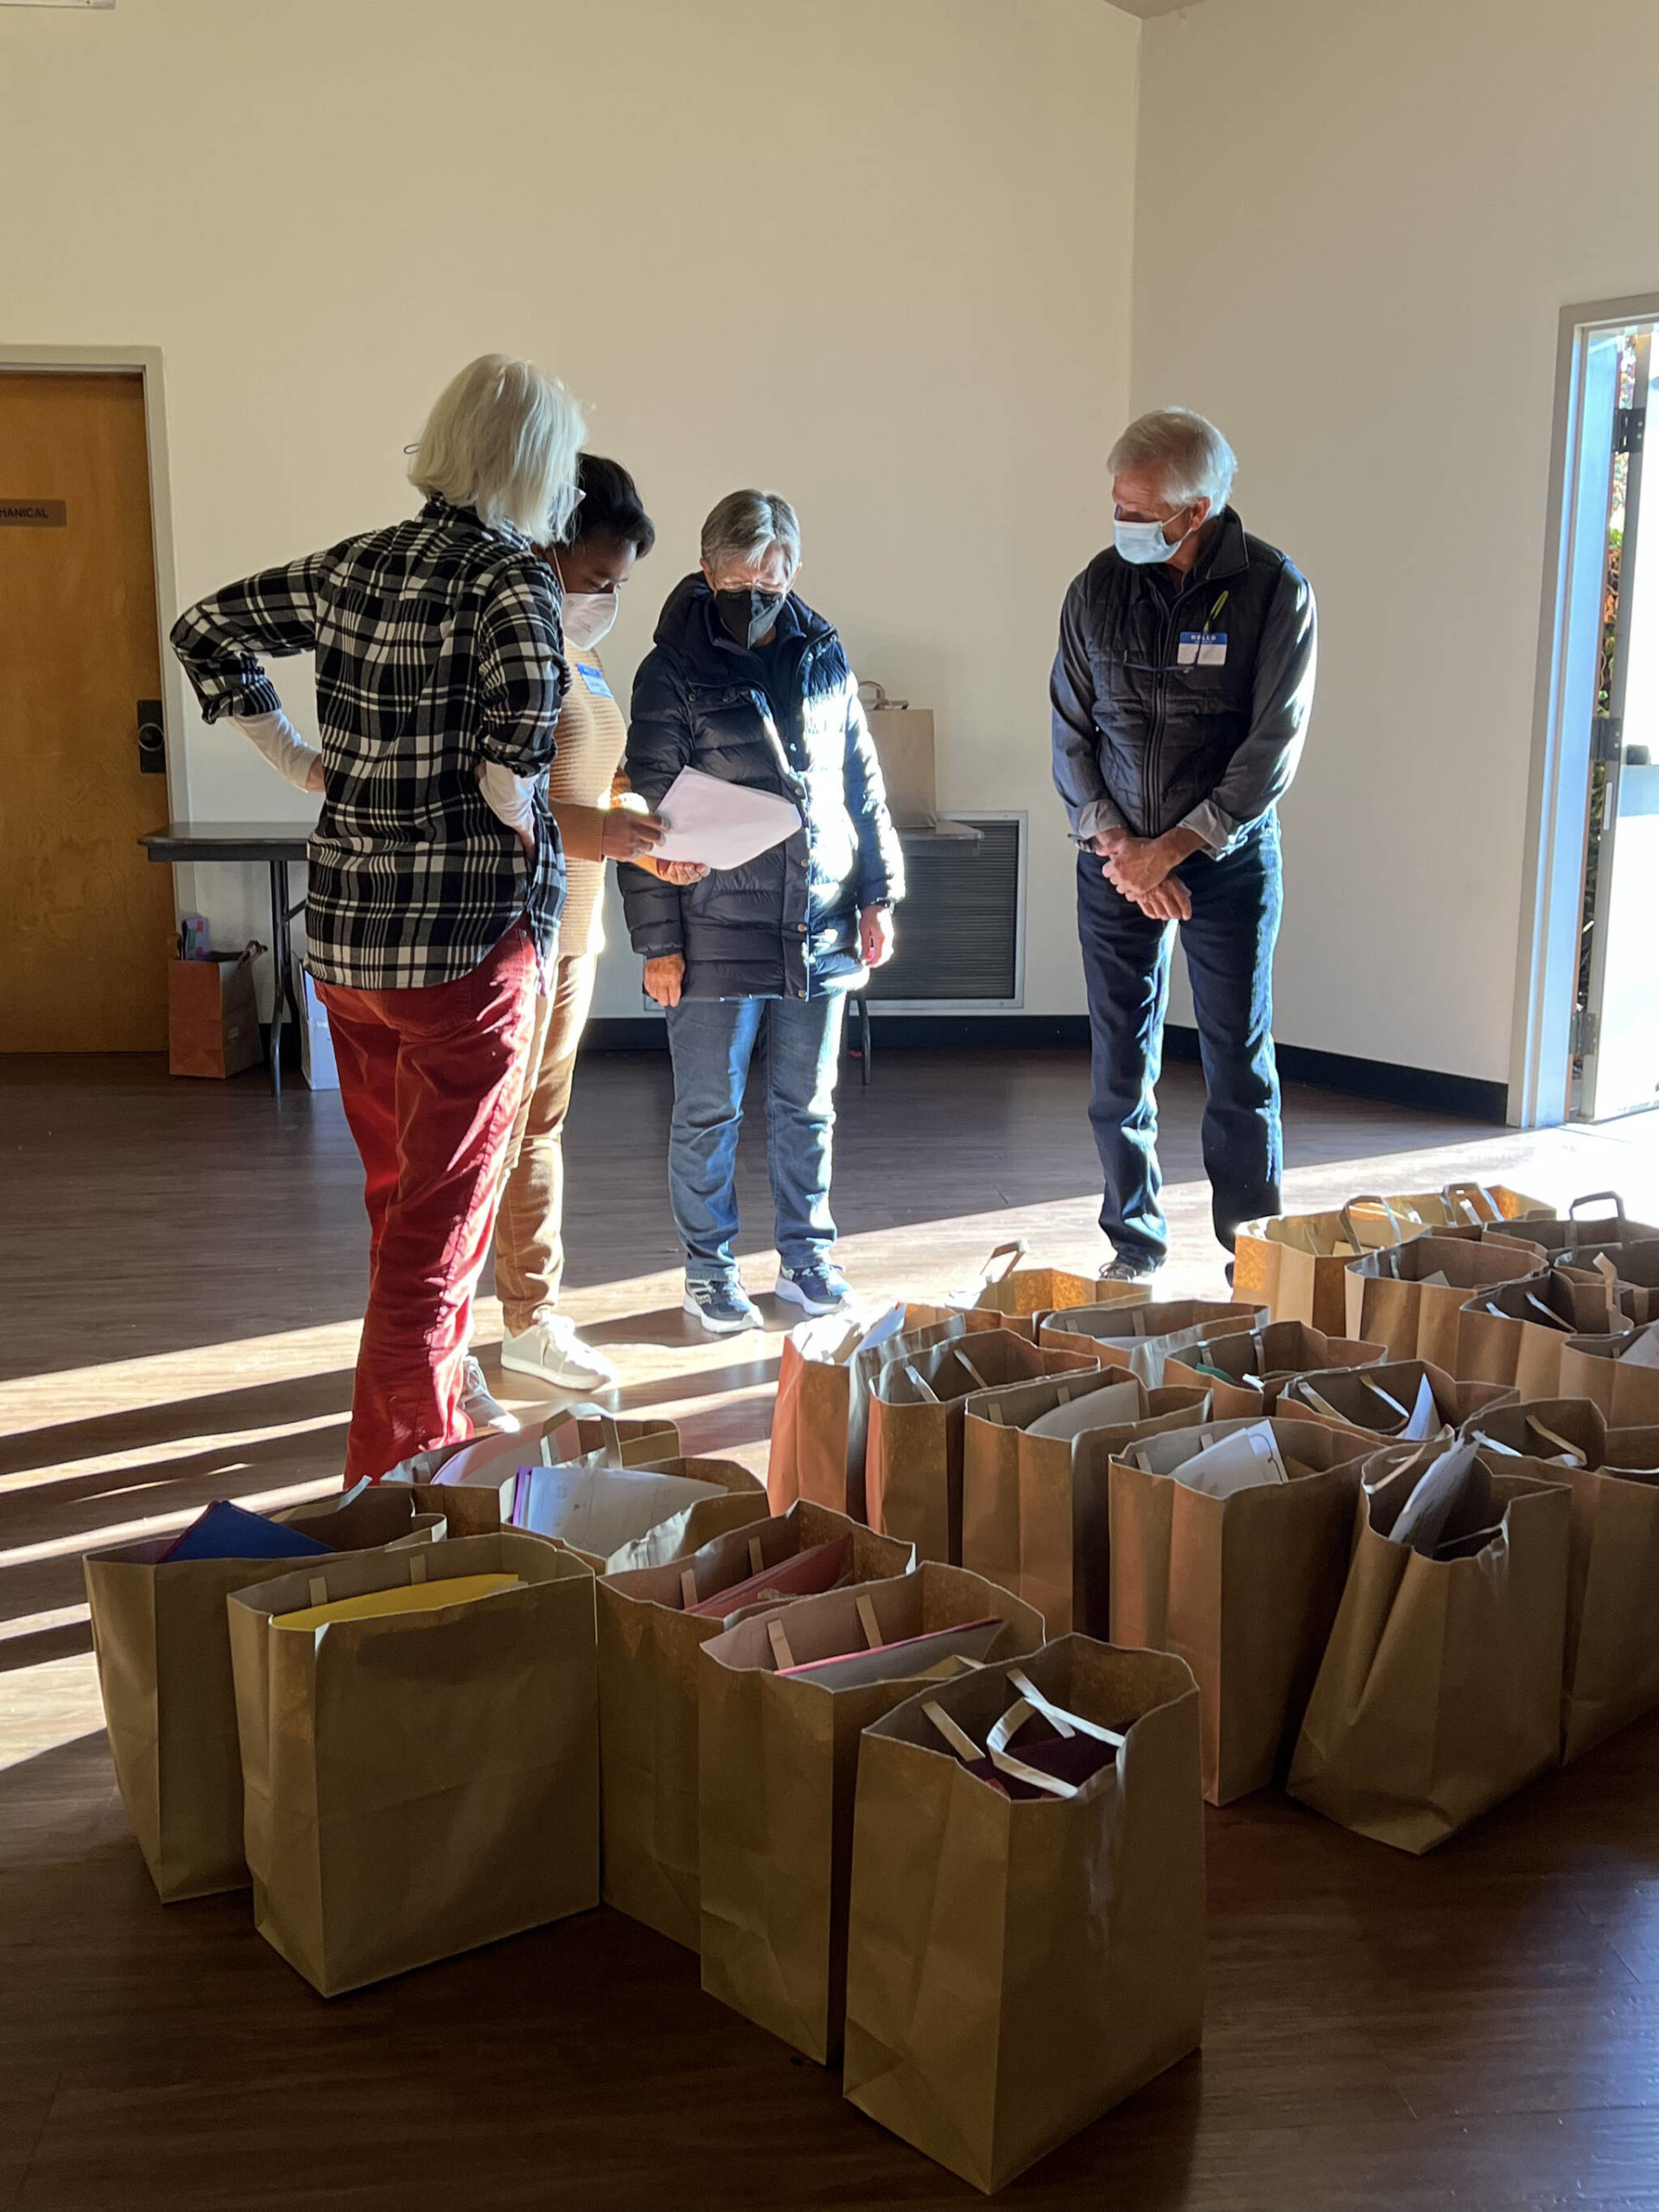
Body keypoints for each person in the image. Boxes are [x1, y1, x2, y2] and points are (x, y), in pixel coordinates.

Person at [171, 353, 582, 1481]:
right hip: (464, 944)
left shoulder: (354, 563)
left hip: (348, 937)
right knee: (438, 1239)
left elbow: (206, 627)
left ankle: (430, 1420)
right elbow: (526, 723)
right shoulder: (513, 578)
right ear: (539, 466)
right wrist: (509, 799)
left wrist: (296, 759)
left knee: (401, 1205)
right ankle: (395, 1475)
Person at [620, 489, 905, 1333]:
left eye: (773, 578)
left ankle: (807, 1259)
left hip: (818, 921)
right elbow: (641, 806)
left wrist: (878, 892)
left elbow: (861, 778)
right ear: (707, 574)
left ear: (794, 574)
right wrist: (656, 940)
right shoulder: (667, 669)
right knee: (709, 1108)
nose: (757, 593)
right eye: (740, 579)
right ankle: (708, 1270)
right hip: (709, 928)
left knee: (805, 1104)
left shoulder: (825, 653)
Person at [1050, 408, 1316, 1282]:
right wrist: (1120, 845)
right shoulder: (1096, 587)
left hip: (1227, 863)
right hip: (1116, 861)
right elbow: (1070, 732)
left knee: (1238, 1060)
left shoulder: (1276, 591)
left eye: (1138, 509)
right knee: (1119, 1061)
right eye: (1116, 502)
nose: (1120, 521)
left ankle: (1254, 1257)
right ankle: (1135, 1242)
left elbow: (1270, 747)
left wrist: (1178, 848)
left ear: (1195, 512)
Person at [486, 454, 675, 1392]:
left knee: (537, 1131)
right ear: (544, 544)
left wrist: (634, 822)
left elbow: (589, 776)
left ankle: (531, 1319)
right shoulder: (501, 644)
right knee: (479, 1137)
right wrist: (605, 828)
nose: (607, 597)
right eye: (597, 577)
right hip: (504, 930)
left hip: (575, 924)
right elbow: (486, 798)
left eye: (619, 585)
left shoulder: (583, 652)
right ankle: (437, 1338)